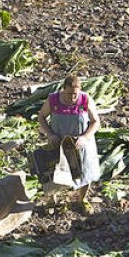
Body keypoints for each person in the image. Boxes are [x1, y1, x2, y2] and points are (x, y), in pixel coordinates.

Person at [37, 75, 102, 209]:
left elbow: (96, 122)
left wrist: (85, 137)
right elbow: (42, 117)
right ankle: (52, 200)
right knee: (53, 170)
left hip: (80, 144)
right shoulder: (53, 99)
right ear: (63, 89)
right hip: (58, 143)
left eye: (75, 94)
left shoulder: (85, 99)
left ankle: (82, 199)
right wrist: (50, 135)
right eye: (69, 94)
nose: (72, 97)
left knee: (84, 170)